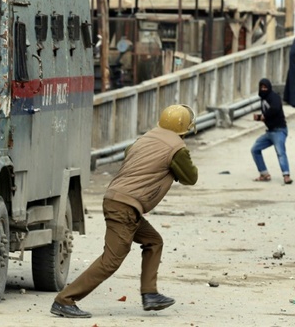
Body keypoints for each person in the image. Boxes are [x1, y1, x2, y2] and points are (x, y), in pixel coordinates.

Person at [50, 104, 199, 318]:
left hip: (118, 200)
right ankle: (64, 300)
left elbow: (130, 155)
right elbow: (190, 177)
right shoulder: (177, 148)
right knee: (111, 261)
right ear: (185, 128)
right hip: (126, 208)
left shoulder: (144, 139)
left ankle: (150, 294)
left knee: (153, 241)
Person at [252, 78, 292, 185]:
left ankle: (286, 175)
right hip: (270, 132)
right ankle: (264, 173)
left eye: (265, 87)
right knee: (255, 149)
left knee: (280, 152)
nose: (263, 89)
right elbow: (268, 116)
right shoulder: (263, 99)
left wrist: (263, 116)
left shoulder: (274, 97)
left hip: (279, 130)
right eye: (262, 87)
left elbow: (274, 109)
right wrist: (259, 117)